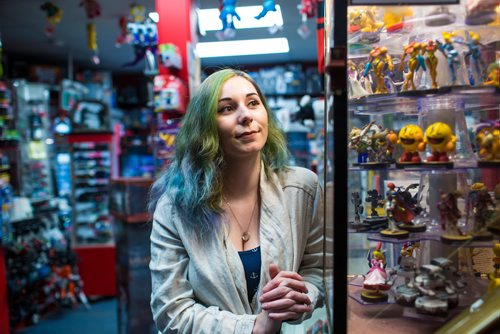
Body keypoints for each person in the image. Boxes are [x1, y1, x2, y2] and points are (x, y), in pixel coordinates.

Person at [148, 68, 326, 333]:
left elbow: (320, 269)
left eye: (253, 103)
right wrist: (254, 327)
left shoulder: (303, 189)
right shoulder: (175, 208)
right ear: (205, 128)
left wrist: (301, 295)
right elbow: (170, 312)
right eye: (227, 109)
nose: (246, 115)